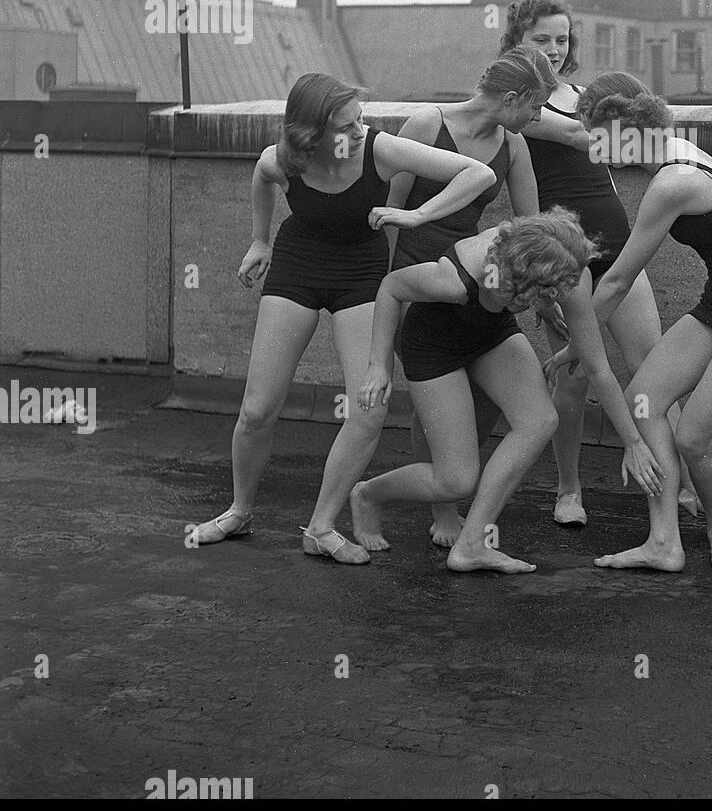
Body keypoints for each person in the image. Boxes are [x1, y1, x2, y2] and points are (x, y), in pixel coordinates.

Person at [192, 72, 496, 563]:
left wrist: (419, 216)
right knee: (257, 409)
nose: (360, 130)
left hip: (361, 274)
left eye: (361, 119)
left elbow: (478, 174)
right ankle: (239, 511)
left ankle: (321, 526)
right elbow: (262, 175)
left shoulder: (380, 149)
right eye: (346, 125)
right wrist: (259, 239)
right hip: (298, 264)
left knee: (369, 407)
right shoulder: (284, 159)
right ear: (311, 135)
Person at [504, 0, 712, 533]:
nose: (553, 48)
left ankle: (694, 491)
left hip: (614, 237)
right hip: (560, 252)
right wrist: (630, 119)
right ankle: (569, 488)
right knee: (572, 379)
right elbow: (576, 134)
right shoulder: (517, 101)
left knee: (653, 371)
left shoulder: (585, 96)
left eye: (561, 39)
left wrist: (622, 118)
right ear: (517, 39)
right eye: (540, 38)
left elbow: (608, 147)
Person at [546, 73, 712, 571]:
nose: (593, 148)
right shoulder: (678, 149)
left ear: (622, 128)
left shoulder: (671, 182)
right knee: (645, 400)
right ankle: (664, 542)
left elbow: (617, 281)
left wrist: (575, 345)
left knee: (693, 436)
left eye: (596, 135)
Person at [350, 210, 665, 573]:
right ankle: (367, 494)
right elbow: (391, 287)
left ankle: (472, 544)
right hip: (432, 344)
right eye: (537, 294)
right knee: (455, 480)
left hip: (491, 332)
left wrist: (633, 442)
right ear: (515, 276)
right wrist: (378, 365)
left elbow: (597, 367)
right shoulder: (455, 278)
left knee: (540, 419)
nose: (546, 299)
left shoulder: (566, 275)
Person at [381, 46, 556, 549]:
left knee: (482, 402)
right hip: (418, 281)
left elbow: (531, 228)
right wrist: (385, 297)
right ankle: (443, 508)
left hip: (476, 281)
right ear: (512, 96)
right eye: (535, 106)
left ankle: (454, 484)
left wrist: (543, 298)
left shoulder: (513, 145)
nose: (538, 117)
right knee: (433, 402)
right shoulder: (424, 125)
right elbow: (389, 212)